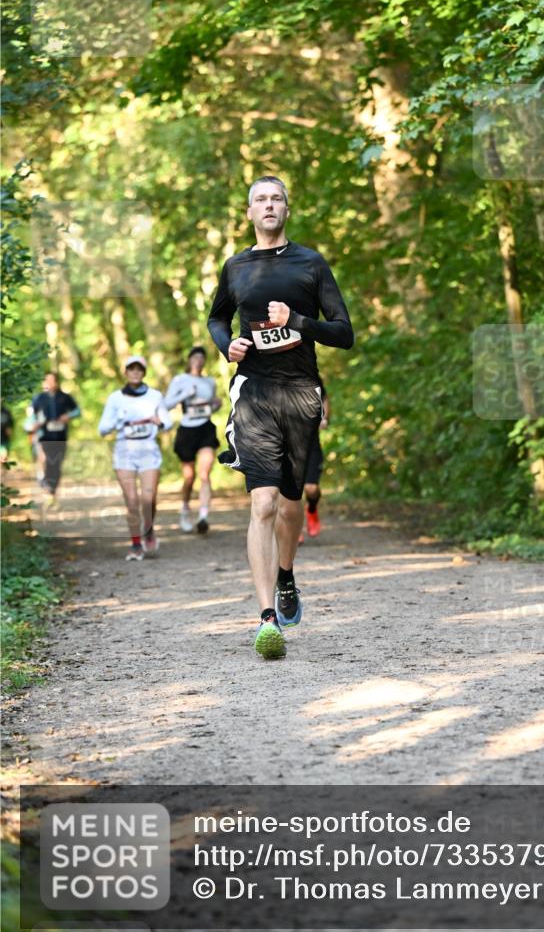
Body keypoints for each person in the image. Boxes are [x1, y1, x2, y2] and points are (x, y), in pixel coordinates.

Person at [208, 174, 353, 659]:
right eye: (260, 200)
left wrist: (298, 322)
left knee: (291, 505)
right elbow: (216, 318)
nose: (268, 206)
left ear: (286, 210)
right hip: (253, 391)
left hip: (301, 394)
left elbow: (343, 333)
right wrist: (225, 343)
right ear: (249, 213)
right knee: (263, 503)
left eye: (276, 199)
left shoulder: (310, 263)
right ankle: (266, 617)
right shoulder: (236, 267)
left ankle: (286, 575)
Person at [98, 355, 172, 561]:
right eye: (131, 368)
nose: (135, 372)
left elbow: (168, 423)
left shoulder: (155, 396)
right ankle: (136, 544)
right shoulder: (115, 398)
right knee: (132, 501)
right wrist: (119, 421)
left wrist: (158, 422)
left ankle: (148, 529)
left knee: (148, 499)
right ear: (126, 372)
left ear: (144, 372)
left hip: (148, 449)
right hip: (124, 451)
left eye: (139, 369)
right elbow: (102, 429)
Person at [165, 347, 221, 534]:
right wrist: (184, 394)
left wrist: (215, 405)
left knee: (205, 473)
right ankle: (185, 509)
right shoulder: (180, 380)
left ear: (204, 361)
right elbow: (166, 405)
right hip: (187, 430)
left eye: (202, 357)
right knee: (189, 477)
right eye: (195, 356)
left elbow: (210, 406)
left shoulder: (210, 381)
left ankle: (203, 516)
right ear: (189, 360)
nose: (198, 360)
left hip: (206, 428)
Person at [26, 372, 81, 499]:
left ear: (57, 382)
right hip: (44, 436)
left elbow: (77, 411)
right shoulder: (38, 398)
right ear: (43, 383)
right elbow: (31, 416)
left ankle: (53, 488)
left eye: (53, 381)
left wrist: (68, 416)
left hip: (60, 436)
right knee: (46, 460)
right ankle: (46, 483)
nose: (50, 383)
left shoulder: (65, 397)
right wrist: (34, 424)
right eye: (47, 381)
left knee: (57, 463)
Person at [300, 379, 330, 542]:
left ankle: (312, 508)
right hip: (286, 446)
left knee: (311, 489)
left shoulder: (312, 378)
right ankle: (294, 528)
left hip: (311, 445)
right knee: (291, 492)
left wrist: (324, 417)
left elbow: (324, 398)